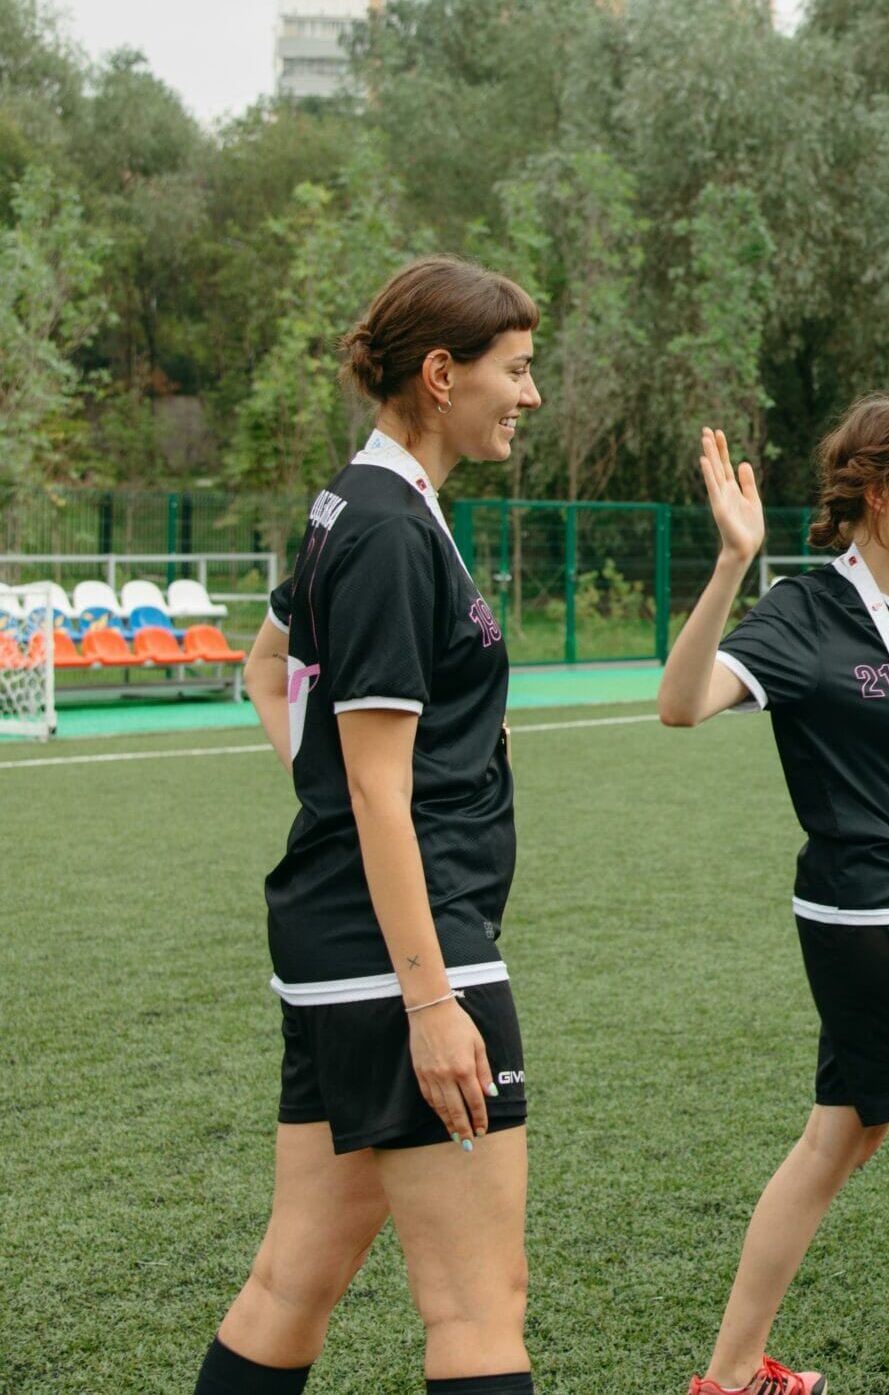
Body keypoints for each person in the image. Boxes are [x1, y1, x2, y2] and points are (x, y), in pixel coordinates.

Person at [656, 403, 889, 1395]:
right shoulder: (803, 613)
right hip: (869, 911)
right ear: (878, 492)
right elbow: (682, 701)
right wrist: (735, 562)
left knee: (841, 1135)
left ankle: (732, 1374)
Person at [207, 256, 542, 1395]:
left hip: (337, 949)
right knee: (479, 1303)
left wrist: (331, 794)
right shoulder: (392, 527)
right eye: (517, 369)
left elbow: (265, 671)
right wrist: (432, 996)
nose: (530, 394)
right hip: (407, 953)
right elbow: (375, 789)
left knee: (292, 1281)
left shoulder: (355, 501)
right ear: (442, 374)